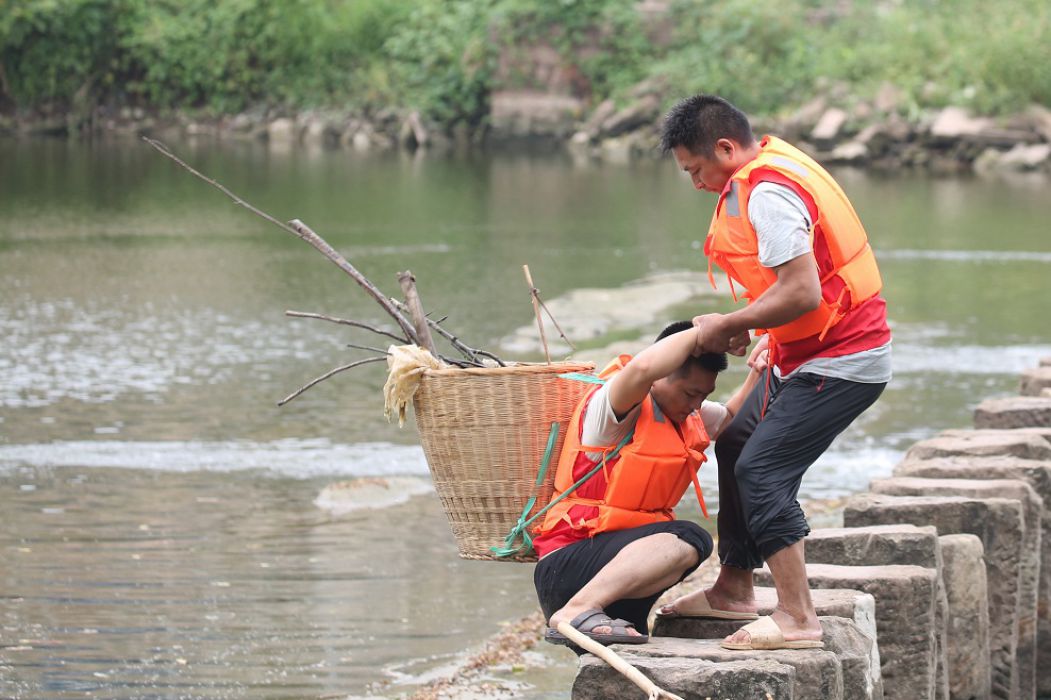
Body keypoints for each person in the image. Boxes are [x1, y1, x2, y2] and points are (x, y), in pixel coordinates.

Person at [655, 94, 891, 651]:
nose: (696, 184)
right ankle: (734, 590)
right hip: (805, 352)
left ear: (725, 148)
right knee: (736, 440)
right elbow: (801, 293)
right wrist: (763, 333)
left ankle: (797, 617)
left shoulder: (767, 192)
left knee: (762, 473)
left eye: (695, 170)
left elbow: (803, 290)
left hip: (844, 361)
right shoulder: (766, 169)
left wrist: (726, 324)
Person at [532, 321, 763, 647]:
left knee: (622, 665)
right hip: (571, 565)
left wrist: (757, 370)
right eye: (690, 393)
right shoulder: (613, 406)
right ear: (659, 377)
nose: (696, 404)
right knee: (690, 537)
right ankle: (577, 611)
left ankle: (586, 613)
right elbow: (641, 366)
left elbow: (730, 422)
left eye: (703, 395)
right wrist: (703, 332)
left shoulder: (685, 412)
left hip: (622, 575)